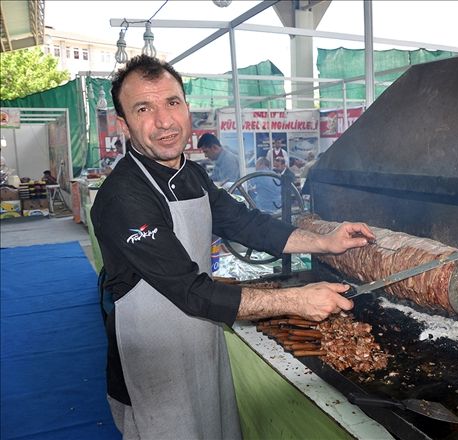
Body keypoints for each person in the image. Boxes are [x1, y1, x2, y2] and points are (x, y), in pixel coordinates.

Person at [91, 55, 375, 440]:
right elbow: (191, 291)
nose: (163, 121)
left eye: (172, 102)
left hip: (201, 338)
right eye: (144, 108)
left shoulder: (190, 174)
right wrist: (295, 300)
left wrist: (325, 242)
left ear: (187, 108)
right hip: (152, 358)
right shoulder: (123, 196)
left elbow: (244, 223)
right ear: (124, 123)